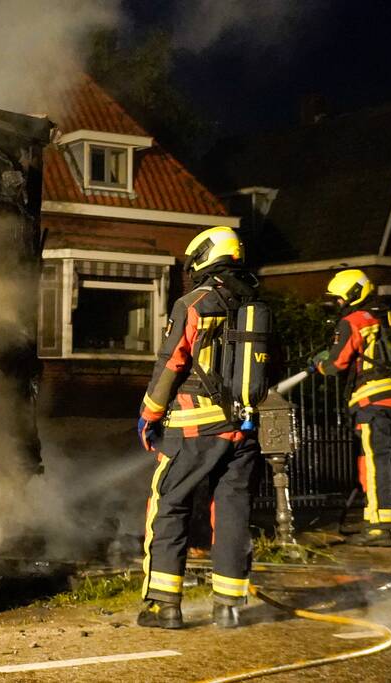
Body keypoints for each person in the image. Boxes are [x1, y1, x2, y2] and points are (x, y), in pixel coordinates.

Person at [136, 226, 268, 630]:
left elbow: (172, 362)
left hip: (194, 427)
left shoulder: (193, 303)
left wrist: (150, 413)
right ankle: (228, 607)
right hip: (244, 430)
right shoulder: (256, 307)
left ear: (203, 258)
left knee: (169, 505)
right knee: (231, 512)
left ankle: (164, 606)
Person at [309, 269, 391, 547]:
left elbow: (336, 364)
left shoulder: (354, 320)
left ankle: (380, 527)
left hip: (373, 402)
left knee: (376, 461)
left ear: (349, 295)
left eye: (338, 298)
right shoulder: (386, 317)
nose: (337, 304)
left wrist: (318, 363)